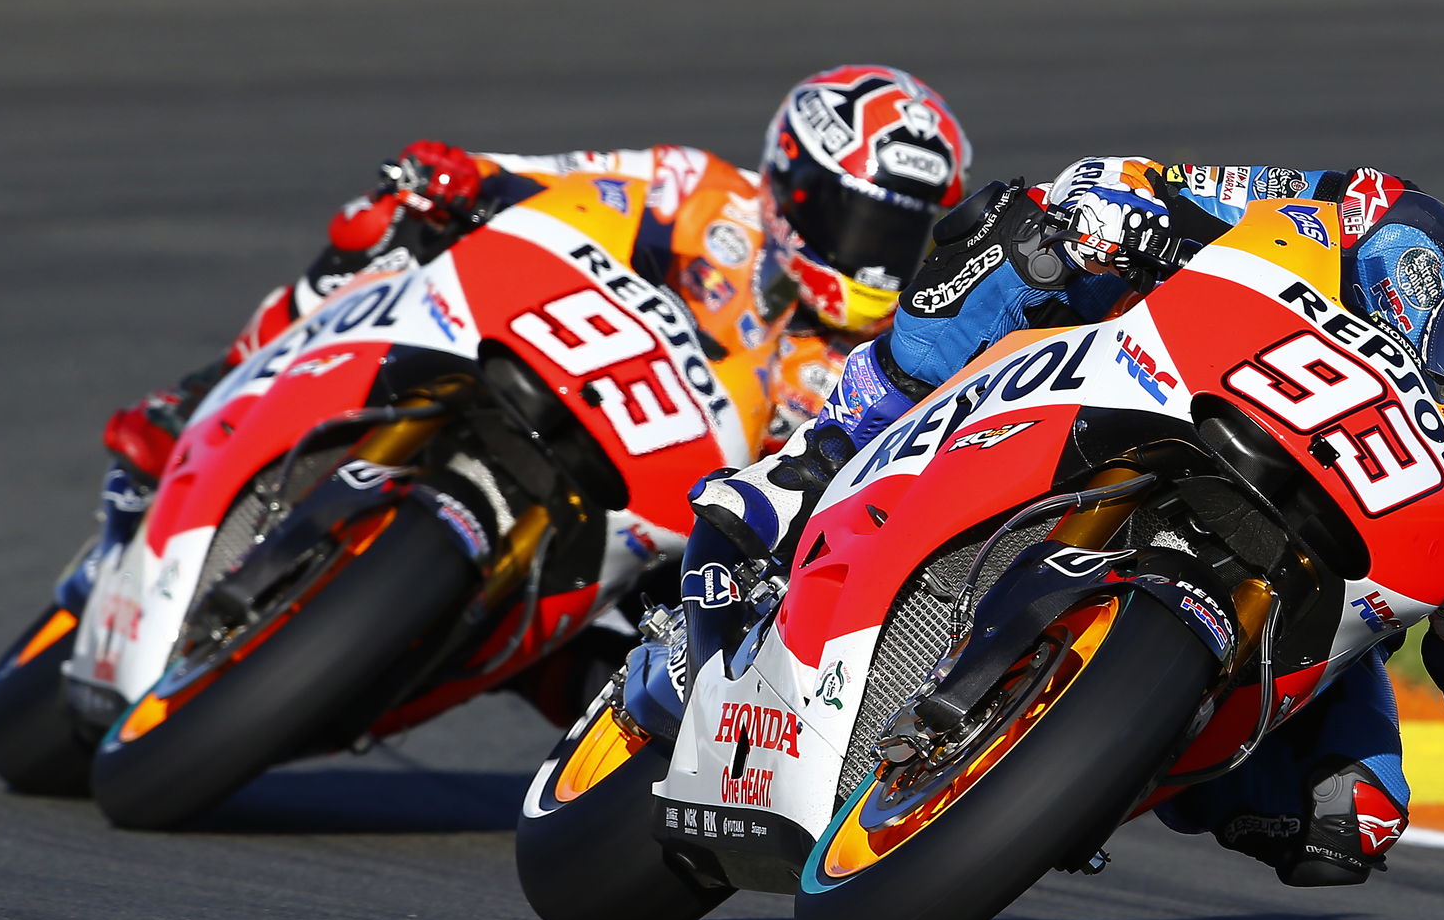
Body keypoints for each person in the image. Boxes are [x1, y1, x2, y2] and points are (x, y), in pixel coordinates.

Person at [673, 119, 1444, 887]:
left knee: (1354, 820)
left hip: (1319, 586)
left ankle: (1083, 772)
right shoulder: (1391, 225)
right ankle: (818, 457)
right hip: (1196, 404)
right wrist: (1128, 207)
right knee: (1023, 230)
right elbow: (1208, 192)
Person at [60, 65, 973, 716]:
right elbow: (560, 180)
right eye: (850, 214)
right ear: (789, 183)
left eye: (897, 232)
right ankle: (203, 391)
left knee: (653, 693)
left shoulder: (890, 355)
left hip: (654, 537)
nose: (867, 251)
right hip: (551, 371)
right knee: (385, 223)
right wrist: (467, 176)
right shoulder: (704, 193)